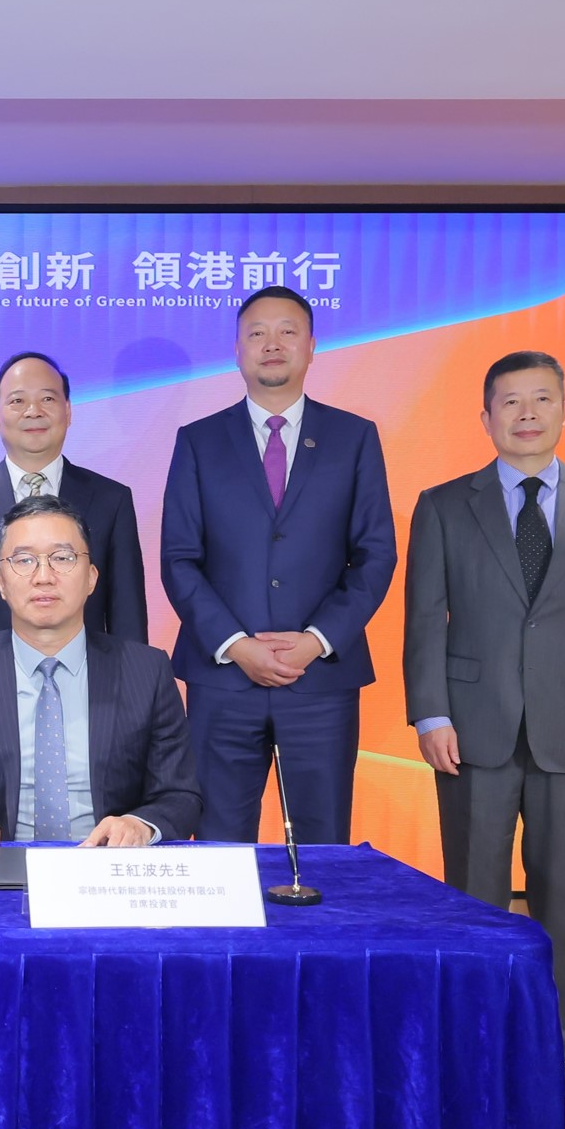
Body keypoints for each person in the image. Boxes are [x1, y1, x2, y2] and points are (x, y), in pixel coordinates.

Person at [404, 350, 565, 1108]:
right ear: (485, 417)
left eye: (541, 398)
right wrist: (431, 711)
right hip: (470, 730)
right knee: (473, 897)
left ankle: (560, 1048)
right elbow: (424, 620)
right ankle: (470, 1047)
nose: (526, 413)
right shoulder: (444, 504)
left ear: (564, 409)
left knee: (561, 898)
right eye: (509, 401)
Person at [159, 286, 396, 846]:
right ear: (237, 350)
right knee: (218, 845)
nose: (272, 344)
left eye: (287, 331)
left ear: (311, 347)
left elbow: (375, 554)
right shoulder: (198, 441)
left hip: (321, 680)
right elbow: (179, 558)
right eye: (257, 333)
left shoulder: (354, 438)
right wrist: (236, 645)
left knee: (323, 845)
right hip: (223, 679)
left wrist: (316, 640)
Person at [0, 494, 200, 857]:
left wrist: (140, 824)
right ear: (1, 583)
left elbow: (180, 796)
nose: (43, 577)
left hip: (107, 867)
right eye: (24, 560)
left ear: (91, 577)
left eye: (62, 558)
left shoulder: (148, 671)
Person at [0, 351, 145, 695]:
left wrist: (134, 702)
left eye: (47, 399)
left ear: (68, 411)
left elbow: (128, 617)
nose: (33, 411)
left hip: (90, 696)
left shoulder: (111, 499)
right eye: (18, 401)